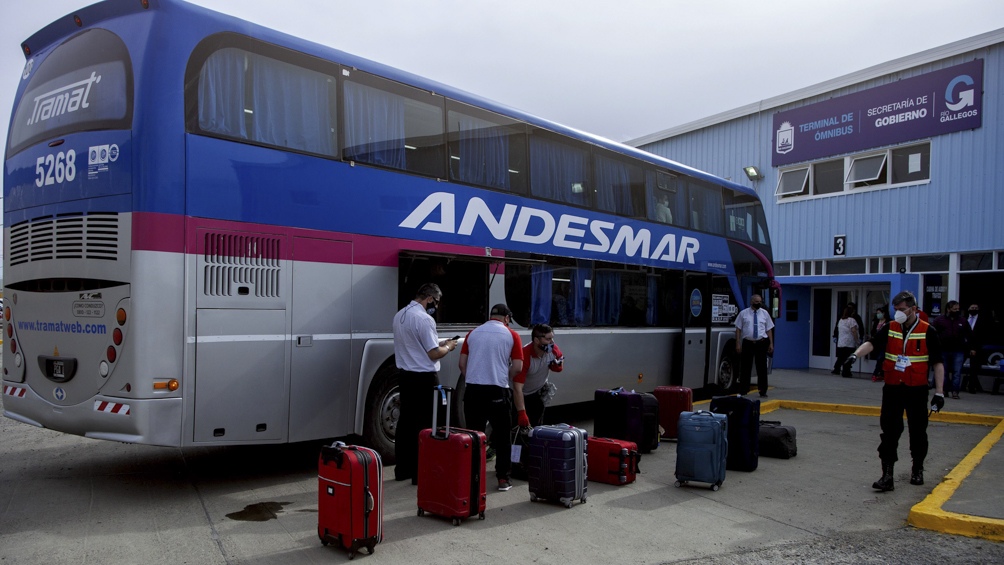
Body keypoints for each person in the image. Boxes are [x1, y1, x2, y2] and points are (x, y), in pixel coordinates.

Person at [843, 290, 944, 491]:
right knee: (889, 432)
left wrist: (939, 393)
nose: (898, 313)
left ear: (913, 309)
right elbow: (872, 343)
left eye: (902, 309)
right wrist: (855, 355)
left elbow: (938, 363)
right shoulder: (890, 328)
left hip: (917, 390)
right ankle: (887, 475)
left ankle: (917, 469)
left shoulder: (927, 331)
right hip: (893, 388)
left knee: (918, 431)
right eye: (896, 309)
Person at [392, 283, 458, 484]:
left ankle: (402, 469)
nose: (436, 306)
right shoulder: (425, 319)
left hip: (405, 376)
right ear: (429, 298)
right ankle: (419, 473)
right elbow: (433, 353)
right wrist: (448, 347)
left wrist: (441, 342)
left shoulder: (400, 315)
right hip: (424, 378)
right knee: (425, 425)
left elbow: (417, 344)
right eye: (436, 302)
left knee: (405, 423)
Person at [459, 304, 524, 492]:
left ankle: (473, 477)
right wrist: (503, 376)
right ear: (506, 318)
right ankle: (503, 478)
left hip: (473, 390)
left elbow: (462, 364)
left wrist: (473, 377)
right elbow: (518, 367)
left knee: (473, 435)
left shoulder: (473, 333)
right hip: (498, 390)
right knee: (503, 436)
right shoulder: (512, 335)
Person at [514, 324, 565, 428]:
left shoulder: (553, 349)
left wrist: (557, 366)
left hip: (537, 393)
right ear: (537, 340)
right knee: (516, 429)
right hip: (518, 396)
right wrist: (521, 413)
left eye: (552, 338)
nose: (552, 342)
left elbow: (560, 361)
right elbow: (517, 388)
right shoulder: (525, 356)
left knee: (536, 428)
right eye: (548, 339)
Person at [734, 294, 774, 397]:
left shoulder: (764, 313)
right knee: (745, 367)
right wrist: (738, 343)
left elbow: (769, 329)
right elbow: (738, 329)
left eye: (760, 302)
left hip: (761, 342)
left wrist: (771, 343)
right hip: (748, 343)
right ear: (752, 302)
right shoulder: (744, 313)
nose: (759, 304)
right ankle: (743, 389)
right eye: (757, 302)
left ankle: (763, 390)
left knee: (761, 368)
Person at [932, 300, 973, 399]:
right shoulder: (939, 320)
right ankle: (945, 390)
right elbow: (932, 333)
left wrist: (971, 347)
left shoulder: (962, 321)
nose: (957, 310)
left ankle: (955, 391)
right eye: (954, 309)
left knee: (957, 372)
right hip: (943, 350)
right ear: (948, 309)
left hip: (958, 350)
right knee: (944, 371)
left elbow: (969, 334)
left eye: (958, 309)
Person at [963, 304, 993, 393]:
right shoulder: (964, 319)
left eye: (976, 308)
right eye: (972, 308)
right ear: (968, 309)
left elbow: (982, 335)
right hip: (963, 346)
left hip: (976, 347)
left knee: (974, 368)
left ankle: (972, 387)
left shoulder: (982, 320)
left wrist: (974, 348)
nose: (974, 309)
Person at [833, 304, 859, 376]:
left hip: (841, 342)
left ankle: (837, 369)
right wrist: (857, 340)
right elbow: (854, 331)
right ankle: (846, 371)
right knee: (848, 358)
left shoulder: (841, 320)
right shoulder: (851, 320)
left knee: (841, 357)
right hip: (849, 342)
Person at [870, 306, 888, 382]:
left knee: (881, 359)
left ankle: (876, 373)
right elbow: (873, 331)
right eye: (877, 313)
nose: (878, 315)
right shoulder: (876, 322)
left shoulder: (887, 322)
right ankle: (881, 373)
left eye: (879, 313)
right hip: (877, 343)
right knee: (880, 358)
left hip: (885, 343)